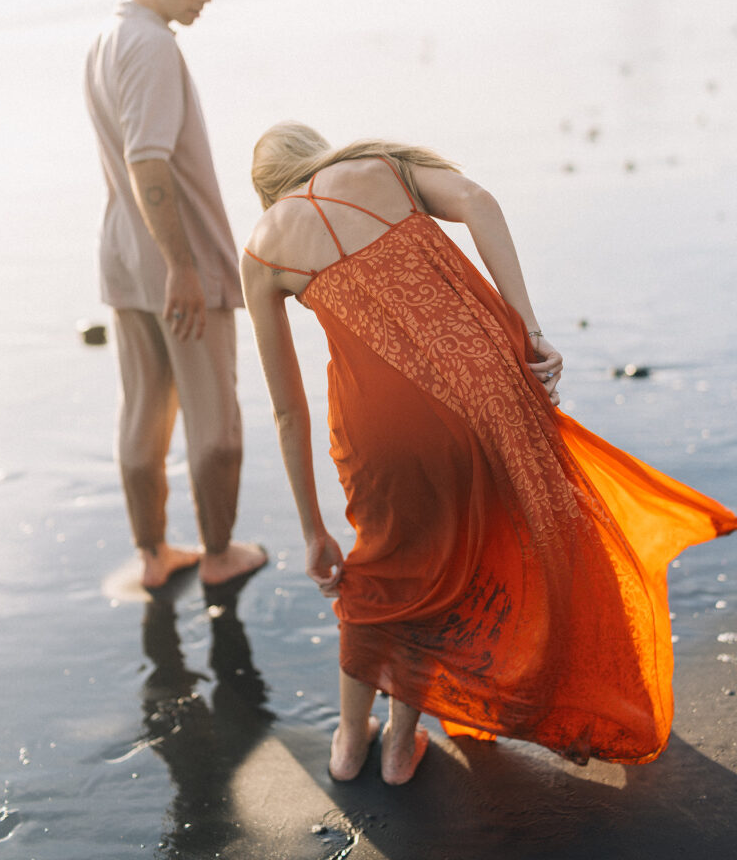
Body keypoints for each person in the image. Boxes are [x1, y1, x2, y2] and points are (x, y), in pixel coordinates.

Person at [241, 121, 736, 785]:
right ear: (315, 153)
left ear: (267, 190)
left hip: (375, 425)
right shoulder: (380, 166)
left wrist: (311, 529)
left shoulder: (263, 248)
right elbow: (480, 202)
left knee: (388, 567)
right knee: (459, 561)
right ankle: (400, 741)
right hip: (479, 390)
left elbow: (286, 408)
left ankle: (351, 739)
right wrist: (529, 332)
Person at [84, 0, 266, 590]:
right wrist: (184, 268)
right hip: (172, 264)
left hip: (122, 257)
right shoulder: (153, 45)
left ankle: (154, 555)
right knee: (215, 422)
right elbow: (148, 162)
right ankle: (219, 556)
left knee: (144, 412)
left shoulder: (109, 35)